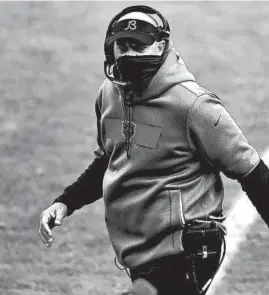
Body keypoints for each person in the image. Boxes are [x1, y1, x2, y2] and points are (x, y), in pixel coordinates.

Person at [39, 5, 269, 295]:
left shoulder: (193, 106)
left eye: (139, 46)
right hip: (141, 251)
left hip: (189, 246)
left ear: (161, 45)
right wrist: (65, 202)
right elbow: (112, 159)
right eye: (123, 46)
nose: (130, 54)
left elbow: (252, 172)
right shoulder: (108, 96)